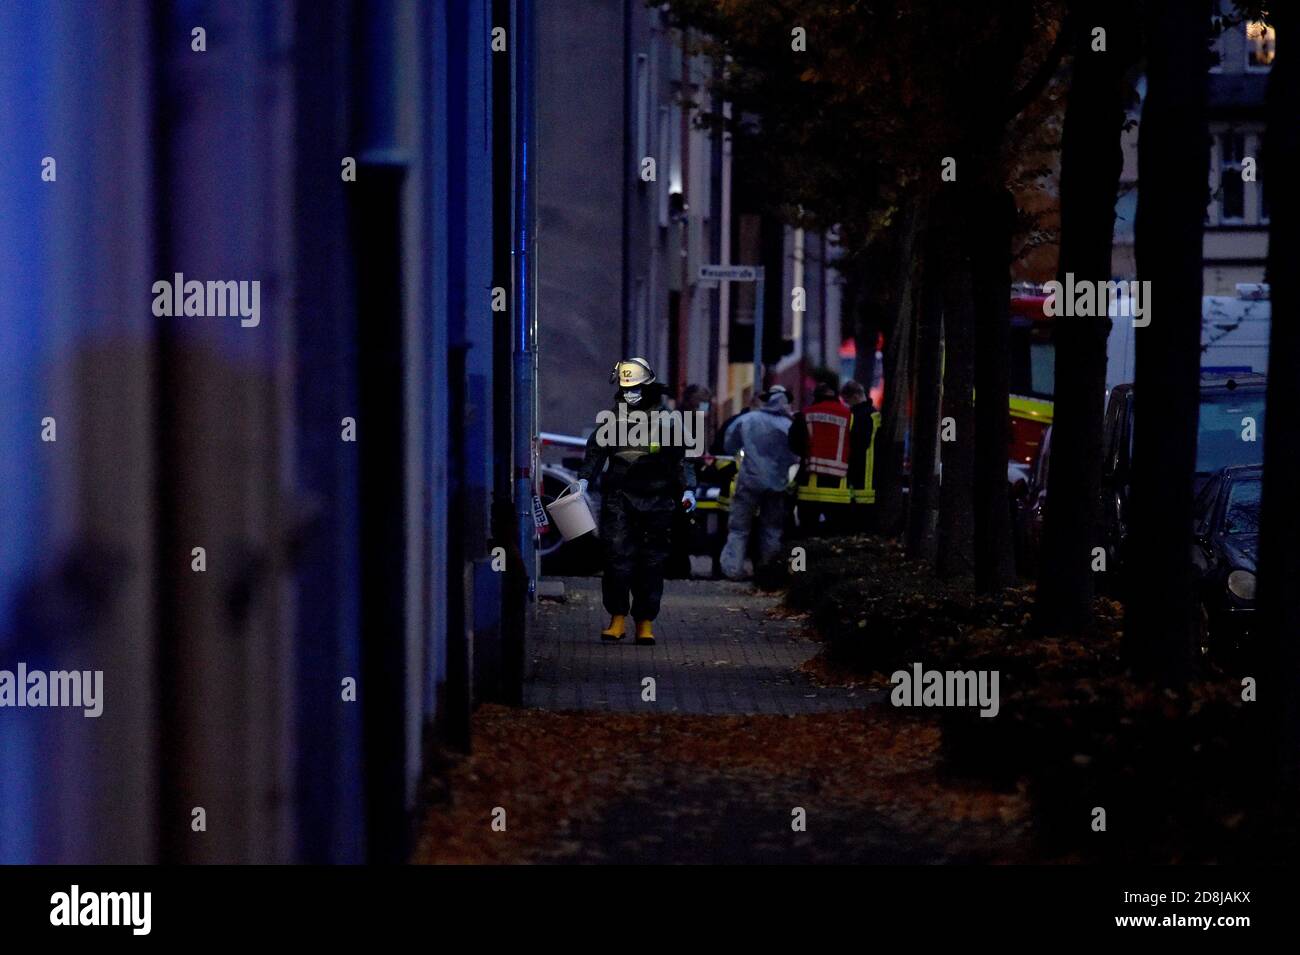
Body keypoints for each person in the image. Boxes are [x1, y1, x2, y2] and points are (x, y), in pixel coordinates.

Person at [576, 357, 697, 645]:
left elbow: (683, 459)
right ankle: (617, 618)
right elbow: (596, 452)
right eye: (625, 389)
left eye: (635, 389)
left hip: (659, 498)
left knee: (652, 562)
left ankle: (645, 622)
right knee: (617, 559)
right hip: (620, 497)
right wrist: (583, 481)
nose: (630, 394)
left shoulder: (668, 421)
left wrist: (689, 489)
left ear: (649, 388)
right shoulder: (613, 419)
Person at [719, 386, 799, 580]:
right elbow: (796, 454)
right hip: (777, 484)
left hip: (749, 480)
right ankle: (768, 571)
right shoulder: (789, 425)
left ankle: (732, 569)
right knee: (772, 529)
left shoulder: (748, 420)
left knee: (739, 528)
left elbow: (729, 444)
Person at [789, 381, 852, 535]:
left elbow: (794, 444)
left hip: (809, 488)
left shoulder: (805, 414)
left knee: (806, 535)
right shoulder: (850, 416)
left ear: (816, 397)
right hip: (839, 490)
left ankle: (803, 560)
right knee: (834, 537)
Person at [666, 384, 713, 579]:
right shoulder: (678, 419)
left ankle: (679, 565)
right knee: (679, 523)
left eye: (706, 402)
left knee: (684, 523)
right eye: (700, 401)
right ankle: (676, 567)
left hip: (687, 478)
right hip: (678, 479)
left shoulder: (696, 419)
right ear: (689, 400)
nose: (704, 406)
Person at [840, 380, 877, 532]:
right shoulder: (875, 414)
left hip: (861, 470)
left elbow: (857, 445)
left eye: (847, 400)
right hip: (873, 470)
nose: (847, 404)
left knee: (858, 516)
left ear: (855, 396)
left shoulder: (857, 416)